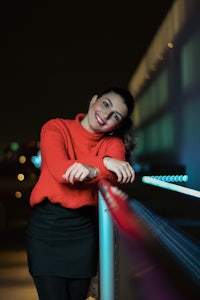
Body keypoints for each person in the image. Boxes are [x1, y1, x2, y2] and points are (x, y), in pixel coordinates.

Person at [26, 86, 136, 300]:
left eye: (115, 116)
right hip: (46, 230)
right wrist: (103, 163)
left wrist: (94, 169)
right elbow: (61, 171)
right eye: (105, 104)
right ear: (93, 100)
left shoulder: (113, 143)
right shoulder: (55, 127)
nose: (105, 115)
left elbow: (116, 176)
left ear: (118, 125)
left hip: (83, 233)